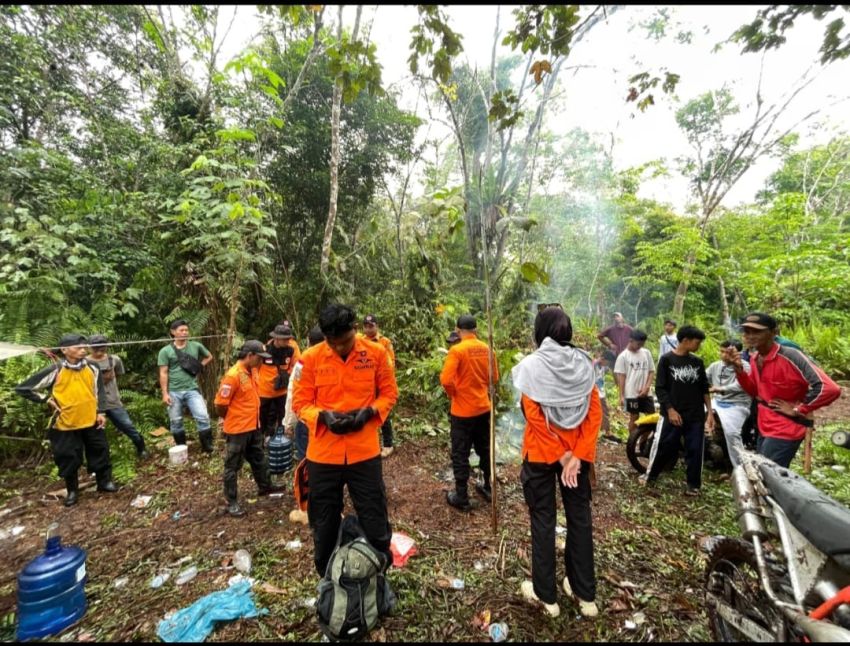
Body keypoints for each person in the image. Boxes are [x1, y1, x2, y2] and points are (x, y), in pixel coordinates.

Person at [291, 304, 398, 576]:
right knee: (324, 520)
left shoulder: (376, 353)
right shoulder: (309, 359)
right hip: (323, 455)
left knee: (374, 514)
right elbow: (300, 403)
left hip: (364, 452)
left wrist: (370, 412)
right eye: (333, 343)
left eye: (346, 341)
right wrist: (323, 417)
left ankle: (379, 572)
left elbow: (389, 393)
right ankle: (327, 576)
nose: (340, 348)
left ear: (355, 330)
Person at [512, 306, 601, 619]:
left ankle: (546, 596)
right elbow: (594, 413)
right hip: (577, 460)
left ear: (540, 331)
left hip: (540, 456)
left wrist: (561, 454)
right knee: (580, 519)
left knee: (543, 520)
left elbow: (533, 416)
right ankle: (584, 595)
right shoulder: (584, 364)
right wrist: (577, 455)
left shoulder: (531, 366)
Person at [726, 312, 841, 468]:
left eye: (757, 331)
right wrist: (738, 369)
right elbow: (755, 392)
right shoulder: (755, 357)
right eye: (747, 331)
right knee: (766, 476)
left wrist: (798, 409)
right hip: (764, 424)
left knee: (767, 476)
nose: (750, 336)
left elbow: (830, 388)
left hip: (785, 427)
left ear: (773, 333)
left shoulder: (791, 356)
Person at [15, 333, 118, 506]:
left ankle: (104, 482)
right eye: (78, 348)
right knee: (68, 457)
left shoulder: (92, 367)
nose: (83, 350)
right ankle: (72, 491)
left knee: (100, 450)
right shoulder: (55, 369)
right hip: (65, 422)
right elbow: (24, 388)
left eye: (84, 347)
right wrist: (45, 399)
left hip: (91, 419)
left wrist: (101, 412)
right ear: (64, 350)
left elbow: (99, 390)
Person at [214, 340, 283, 517]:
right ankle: (231, 501)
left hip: (253, 425)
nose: (261, 362)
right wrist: (228, 417)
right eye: (259, 358)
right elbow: (221, 404)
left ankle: (265, 486)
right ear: (250, 356)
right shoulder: (233, 375)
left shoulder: (251, 371)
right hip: (238, 429)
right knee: (232, 465)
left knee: (258, 458)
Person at [439, 314, 499, 511]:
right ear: (476, 329)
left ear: (458, 330)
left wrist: (454, 394)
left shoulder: (457, 350)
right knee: (485, 448)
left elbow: (446, 380)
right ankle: (489, 487)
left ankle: (461, 496)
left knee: (460, 452)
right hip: (483, 408)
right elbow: (495, 377)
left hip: (463, 411)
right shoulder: (487, 349)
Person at [645, 325, 713, 495]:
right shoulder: (667, 360)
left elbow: (704, 388)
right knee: (664, 445)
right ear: (685, 340)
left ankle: (693, 485)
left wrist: (709, 412)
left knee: (695, 449)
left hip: (695, 414)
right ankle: (651, 477)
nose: (699, 346)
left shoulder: (697, 362)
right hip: (673, 413)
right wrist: (670, 410)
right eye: (697, 342)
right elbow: (660, 388)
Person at [87, 334, 149, 460]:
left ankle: (141, 448)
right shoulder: (85, 363)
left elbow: (119, 376)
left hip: (113, 402)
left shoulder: (114, 360)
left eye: (102, 349)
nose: (99, 352)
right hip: (93, 404)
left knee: (127, 426)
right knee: (93, 434)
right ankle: (98, 459)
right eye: (96, 349)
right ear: (89, 348)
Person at [157, 319, 214, 452]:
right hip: (174, 391)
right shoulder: (165, 351)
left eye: (186, 330)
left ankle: (207, 447)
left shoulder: (196, 346)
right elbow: (163, 373)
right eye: (181, 330)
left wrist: (198, 366)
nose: (184, 333)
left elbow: (209, 356)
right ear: (173, 332)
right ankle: (181, 449)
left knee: (203, 416)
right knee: (176, 421)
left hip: (192, 389)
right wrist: (165, 394)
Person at [284, 325, 326, 463]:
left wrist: (289, 422)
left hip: (307, 418)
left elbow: (293, 393)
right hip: (328, 418)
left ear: (309, 341)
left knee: (306, 460)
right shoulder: (336, 360)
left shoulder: (301, 364)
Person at [706, 340, 751, 467]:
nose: (724, 355)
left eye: (728, 352)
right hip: (717, 402)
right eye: (722, 351)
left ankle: (741, 467)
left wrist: (719, 389)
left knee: (732, 433)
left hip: (737, 404)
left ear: (738, 353)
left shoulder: (745, 366)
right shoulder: (715, 365)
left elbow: (741, 385)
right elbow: (703, 378)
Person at [359, 314, 397, 458]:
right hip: (364, 385)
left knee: (383, 413)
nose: (368, 329)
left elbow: (391, 363)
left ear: (377, 326)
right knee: (365, 413)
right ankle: (369, 443)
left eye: (371, 326)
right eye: (366, 326)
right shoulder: (360, 341)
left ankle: (388, 444)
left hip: (380, 383)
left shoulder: (384, 342)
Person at [258, 324, 301, 440]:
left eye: (288, 338)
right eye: (285, 339)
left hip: (282, 391)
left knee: (283, 416)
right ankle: (262, 438)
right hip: (264, 391)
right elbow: (255, 368)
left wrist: (287, 375)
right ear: (276, 338)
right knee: (263, 417)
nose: (288, 341)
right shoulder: (264, 350)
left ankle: (282, 439)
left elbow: (296, 366)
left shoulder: (290, 350)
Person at [613, 329, 655, 438]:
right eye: (639, 344)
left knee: (651, 417)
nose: (641, 346)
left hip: (647, 393)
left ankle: (643, 442)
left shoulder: (646, 353)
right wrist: (621, 396)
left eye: (643, 344)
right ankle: (632, 442)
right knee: (634, 417)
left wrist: (646, 388)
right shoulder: (623, 356)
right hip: (631, 393)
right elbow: (621, 377)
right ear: (631, 340)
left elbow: (651, 371)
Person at [592, 349, 618, 442]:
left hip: (601, 392)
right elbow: (589, 365)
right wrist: (598, 360)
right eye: (607, 362)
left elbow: (612, 369)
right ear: (603, 359)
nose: (607, 365)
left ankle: (605, 431)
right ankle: (605, 432)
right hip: (594, 393)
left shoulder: (603, 366)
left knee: (604, 411)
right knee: (601, 412)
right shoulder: (594, 364)